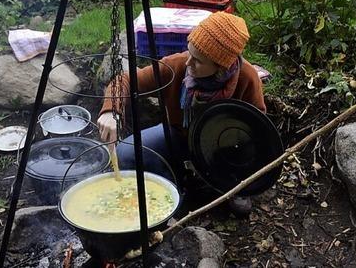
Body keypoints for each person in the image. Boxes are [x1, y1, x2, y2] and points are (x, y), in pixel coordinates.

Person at [97, 11, 265, 214]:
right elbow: (124, 81)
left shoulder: (247, 78)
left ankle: (227, 187)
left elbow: (257, 129)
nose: (188, 63)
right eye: (189, 52)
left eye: (198, 60)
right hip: (178, 135)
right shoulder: (178, 65)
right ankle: (171, 183)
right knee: (126, 154)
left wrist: (233, 155)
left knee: (238, 206)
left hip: (223, 149)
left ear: (221, 67)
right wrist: (110, 111)